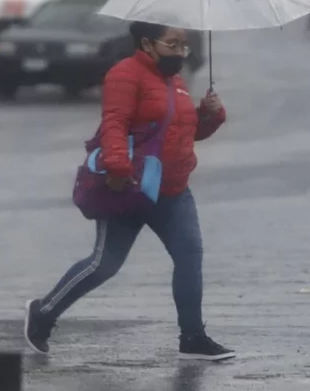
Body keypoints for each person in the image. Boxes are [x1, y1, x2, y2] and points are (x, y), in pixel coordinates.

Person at [24, 22, 235, 361]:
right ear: (148, 44)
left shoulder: (175, 82)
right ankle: (44, 312)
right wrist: (119, 169)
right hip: (130, 187)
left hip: (173, 190)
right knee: (103, 264)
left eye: (184, 45)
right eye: (173, 44)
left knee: (189, 257)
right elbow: (115, 123)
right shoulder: (124, 75)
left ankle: (193, 337)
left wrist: (211, 116)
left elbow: (184, 133)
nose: (181, 52)